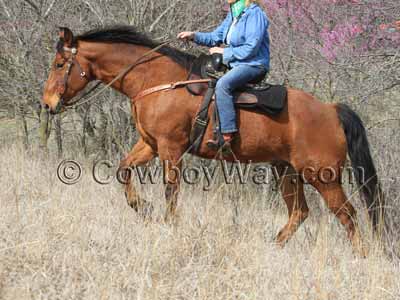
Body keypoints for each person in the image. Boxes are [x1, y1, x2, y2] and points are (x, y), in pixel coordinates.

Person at [178, 0, 270, 149]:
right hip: (236, 64)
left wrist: (223, 52)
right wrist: (194, 36)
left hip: (254, 65)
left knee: (223, 85)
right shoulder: (234, 13)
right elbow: (215, 37)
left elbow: (250, 48)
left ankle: (227, 135)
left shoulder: (255, 14)